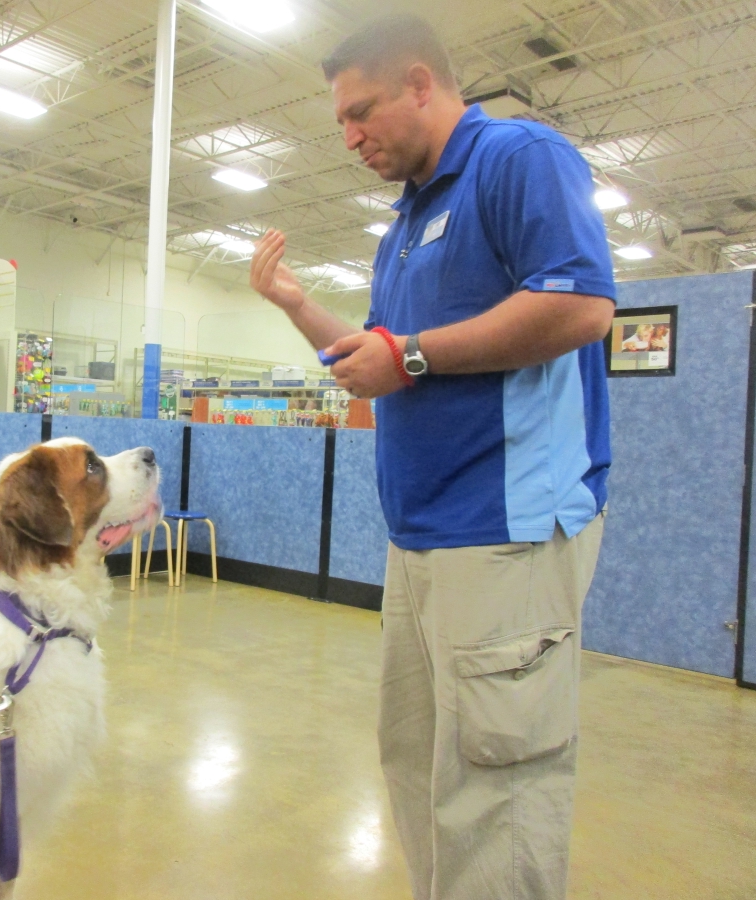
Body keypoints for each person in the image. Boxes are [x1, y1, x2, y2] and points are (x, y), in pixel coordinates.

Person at [249, 14, 615, 900]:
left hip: (506, 529)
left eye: (361, 111)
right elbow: (380, 357)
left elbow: (581, 306)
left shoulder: (517, 158)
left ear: (421, 83)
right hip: (419, 538)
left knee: (497, 787)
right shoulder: (405, 225)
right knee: (417, 764)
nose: (350, 137)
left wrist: (410, 355)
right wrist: (300, 307)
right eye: (340, 121)